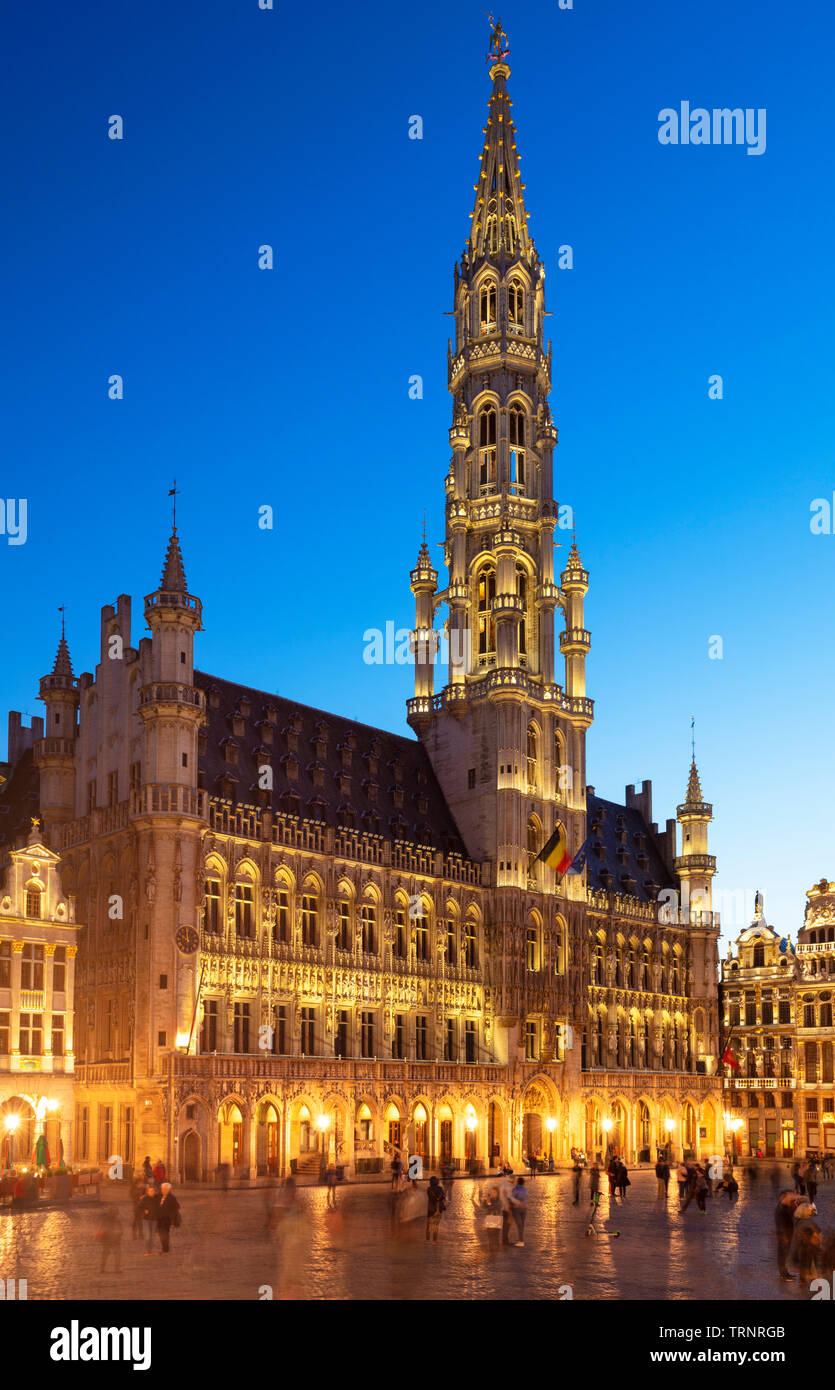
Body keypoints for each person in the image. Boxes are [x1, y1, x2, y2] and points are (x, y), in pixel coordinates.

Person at [775, 1191, 801, 1281]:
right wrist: (784, 1236)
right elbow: (780, 1223)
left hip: (787, 1234)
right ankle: (783, 1275)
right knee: (782, 1255)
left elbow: (794, 1214)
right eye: (790, 1196)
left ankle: (785, 1273)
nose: (791, 1197)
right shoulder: (781, 1208)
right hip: (784, 1235)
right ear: (784, 1197)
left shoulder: (786, 1206)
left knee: (784, 1255)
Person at [473, 1185, 502, 1253]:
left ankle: (496, 1251)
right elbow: (483, 1207)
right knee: (490, 1236)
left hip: (496, 1219)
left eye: (494, 1192)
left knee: (495, 1236)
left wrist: (489, 1202)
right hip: (489, 1219)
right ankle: (491, 1250)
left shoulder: (499, 1201)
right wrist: (485, 1200)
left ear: (497, 1193)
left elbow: (494, 1209)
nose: (492, 1194)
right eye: (491, 1192)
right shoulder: (490, 1199)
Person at [96, 1205, 123, 1273]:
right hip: (112, 1240)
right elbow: (121, 1230)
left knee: (106, 1254)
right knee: (116, 1254)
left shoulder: (106, 1219)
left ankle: (102, 1268)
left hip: (107, 1240)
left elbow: (102, 1228)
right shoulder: (117, 1220)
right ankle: (117, 1269)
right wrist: (118, 1233)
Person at [157, 1182, 181, 1254]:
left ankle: (165, 1249)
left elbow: (177, 1206)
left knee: (164, 1234)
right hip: (159, 1218)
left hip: (166, 1219)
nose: (164, 1190)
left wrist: (171, 1215)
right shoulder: (158, 1196)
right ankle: (165, 1248)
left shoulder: (172, 1198)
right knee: (161, 1234)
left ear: (169, 1190)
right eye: (162, 1189)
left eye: (165, 1189)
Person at [138, 1184, 160, 1256]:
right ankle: (146, 1250)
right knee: (147, 1235)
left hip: (154, 1220)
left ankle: (150, 1250)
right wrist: (144, 1210)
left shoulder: (157, 1198)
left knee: (152, 1236)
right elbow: (139, 1206)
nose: (152, 1192)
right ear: (147, 1192)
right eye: (150, 1191)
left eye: (153, 1191)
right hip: (146, 1219)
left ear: (155, 1191)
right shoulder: (145, 1198)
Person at [426, 1176, 446, 1243]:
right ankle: (434, 1240)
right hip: (438, 1209)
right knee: (436, 1225)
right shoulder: (441, 1189)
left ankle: (427, 1240)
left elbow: (430, 1197)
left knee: (428, 1225)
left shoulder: (429, 1189)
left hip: (431, 1209)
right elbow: (443, 1197)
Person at [510, 1177, 528, 1246]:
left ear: (517, 1182)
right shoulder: (525, 1189)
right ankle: (521, 1239)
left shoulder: (515, 1189)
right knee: (522, 1225)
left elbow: (512, 1198)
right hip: (524, 1207)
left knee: (519, 1225)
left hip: (517, 1208)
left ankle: (521, 1241)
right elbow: (525, 1197)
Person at [499, 1172, 515, 1246]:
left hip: (503, 1207)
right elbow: (509, 1197)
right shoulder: (510, 1186)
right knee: (507, 1224)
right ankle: (505, 1241)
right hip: (508, 1207)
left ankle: (504, 1240)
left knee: (505, 1224)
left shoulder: (503, 1184)